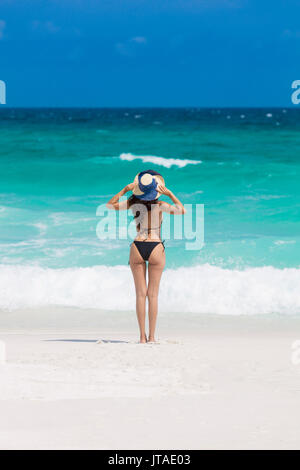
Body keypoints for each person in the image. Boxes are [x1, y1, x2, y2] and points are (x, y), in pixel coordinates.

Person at [106, 170, 186, 343]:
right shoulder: (161, 205)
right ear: (156, 189)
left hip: (137, 245)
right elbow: (182, 211)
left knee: (140, 295)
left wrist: (125, 190)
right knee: (153, 295)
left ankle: (141, 337)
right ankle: (152, 337)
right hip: (155, 246)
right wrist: (170, 193)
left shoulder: (132, 203)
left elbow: (109, 205)